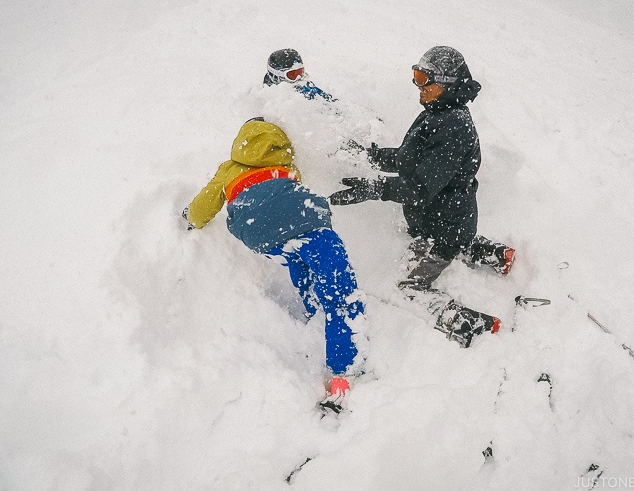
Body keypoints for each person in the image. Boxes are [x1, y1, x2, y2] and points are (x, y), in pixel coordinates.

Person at [329, 46, 514, 348]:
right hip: (444, 220)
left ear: (448, 83)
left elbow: (419, 189)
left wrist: (376, 188)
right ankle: (492, 254)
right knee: (438, 239)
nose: (419, 87)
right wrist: (369, 155)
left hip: (443, 227)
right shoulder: (439, 112)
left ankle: (469, 322)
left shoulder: (453, 127)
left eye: (425, 79)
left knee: (406, 284)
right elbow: (410, 160)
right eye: (416, 76)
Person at [183, 118, 364, 410]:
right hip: (306, 221)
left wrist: (189, 218)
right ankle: (343, 372)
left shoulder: (228, 168)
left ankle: (314, 313)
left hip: (257, 232)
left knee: (295, 253)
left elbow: (204, 206)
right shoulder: (286, 161)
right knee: (339, 291)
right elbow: (290, 203)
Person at [263, 48, 335, 102]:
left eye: (300, 72)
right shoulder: (265, 93)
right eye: (292, 75)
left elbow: (332, 107)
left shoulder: (307, 91)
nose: (298, 78)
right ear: (276, 76)